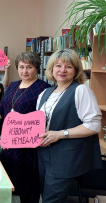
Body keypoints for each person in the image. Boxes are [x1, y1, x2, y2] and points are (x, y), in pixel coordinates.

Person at [0, 51, 51, 203]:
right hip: (10, 142)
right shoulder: (14, 86)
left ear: (37, 69)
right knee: (11, 180)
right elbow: (1, 111)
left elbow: (45, 117)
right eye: (21, 67)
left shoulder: (44, 88)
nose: (24, 71)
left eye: (29, 67)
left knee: (28, 183)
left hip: (29, 145)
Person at [36, 49, 102, 203]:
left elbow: (94, 125)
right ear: (51, 68)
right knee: (45, 196)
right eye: (58, 65)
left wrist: (60, 134)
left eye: (69, 67)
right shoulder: (45, 93)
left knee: (51, 200)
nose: (62, 70)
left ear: (76, 70)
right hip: (43, 154)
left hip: (66, 157)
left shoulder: (81, 90)